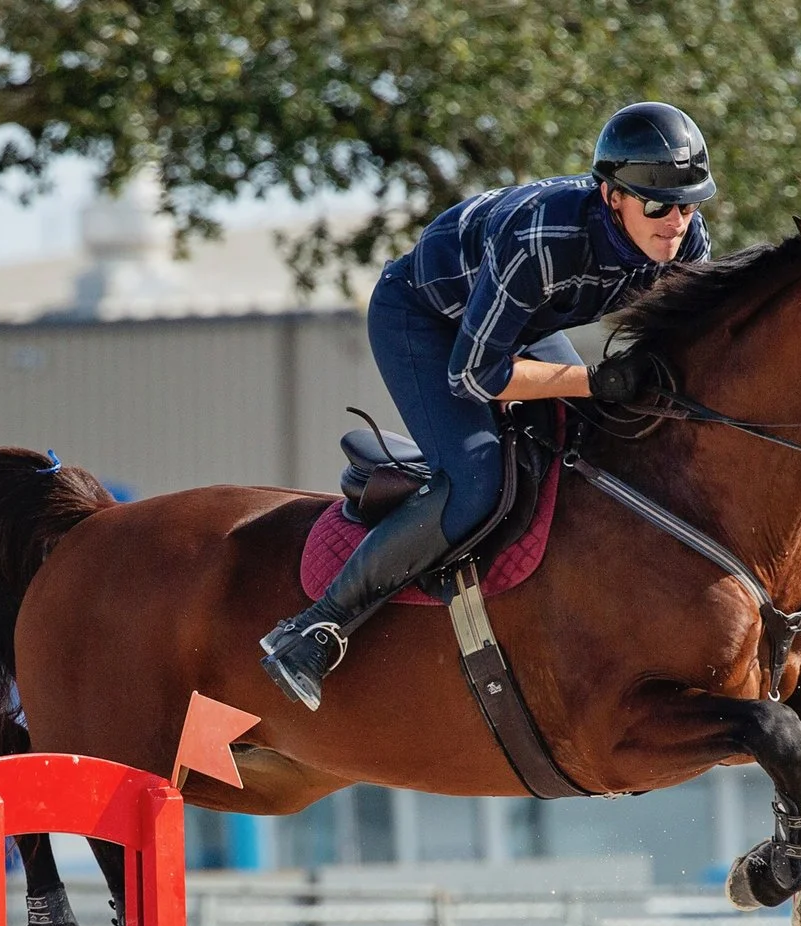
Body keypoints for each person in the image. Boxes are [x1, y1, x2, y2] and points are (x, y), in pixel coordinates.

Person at [259, 101, 715, 710]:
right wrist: (592, 380)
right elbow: (478, 374)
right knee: (476, 482)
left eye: (688, 204)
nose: (676, 221)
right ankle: (315, 629)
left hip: (513, 324)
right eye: (657, 206)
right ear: (612, 198)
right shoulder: (543, 241)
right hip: (424, 321)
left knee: (596, 437)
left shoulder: (685, 240)